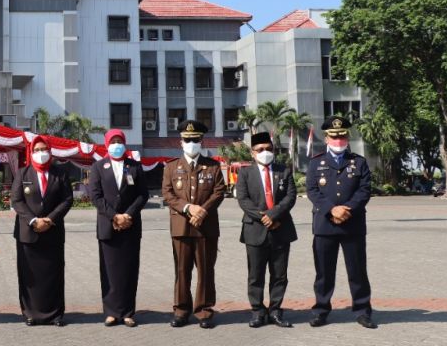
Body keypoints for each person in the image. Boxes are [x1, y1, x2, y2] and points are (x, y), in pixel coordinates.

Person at [306, 115, 376, 329]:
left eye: (342, 136)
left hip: (352, 224)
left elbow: (365, 190)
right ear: (326, 138)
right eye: (334, 137)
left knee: (357, 272)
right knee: (324, 273)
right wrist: (331, 209)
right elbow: (312, 190)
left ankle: (363, 310)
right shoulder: (316, 162)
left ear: (347, 137)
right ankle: (321, 310)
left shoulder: (359, 162)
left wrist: (347, 209)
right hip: (325, 225)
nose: (338, 140)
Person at [161, 120, 225, 329]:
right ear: (181, 142)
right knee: (182, 270)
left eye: (195, 139)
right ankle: (181, 310)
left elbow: (219, 191)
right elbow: (168, 194)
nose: (191, 143)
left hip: (206, 227)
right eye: (187, 140)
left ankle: (204, 310)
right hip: (181, 227)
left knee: (206, 270)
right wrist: (189, 208)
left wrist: (203, 210)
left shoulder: (213, 166)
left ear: (201, 141)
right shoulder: (171, 167)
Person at [235, 132, 297, 328]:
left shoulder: (284, 170)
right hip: (255, 230)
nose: (265, 152)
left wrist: (274, 215)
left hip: (281, 229)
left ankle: (276, 311)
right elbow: (243, 200)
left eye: (268, 149)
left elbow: (290, 196)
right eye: (260, 150)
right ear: (252, 153)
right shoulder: (245, 173)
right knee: (256, 275)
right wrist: (264, 217)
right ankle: (258, 311)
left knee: (279, 274)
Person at [87, 129, 148, 327]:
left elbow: (142, 195)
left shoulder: (135, 166)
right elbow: (95, 196)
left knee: (129, 270)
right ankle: (111, 312)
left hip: (130, 226)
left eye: (119, 141)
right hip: (108, 226)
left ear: (124, 143)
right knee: (109, 270)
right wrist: (114, 216)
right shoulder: (98, 167)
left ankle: (128, 312)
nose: (116, 144)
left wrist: (128, 215)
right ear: (106, 144)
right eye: (112, 141)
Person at [11, 135, 74, 326]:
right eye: (37, 150)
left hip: (52, 231)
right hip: (28, 233)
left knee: (53, 274)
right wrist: (33, 220)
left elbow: (67, 199)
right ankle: (30, 313)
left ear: (50, 151)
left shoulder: (60, 173)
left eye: (44, 149)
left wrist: (50, 219)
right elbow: (16, 200)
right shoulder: (23, 173)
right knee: (29, 276)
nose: (41, 154)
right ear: (31, 152)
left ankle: (55, 314)